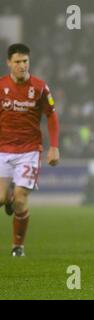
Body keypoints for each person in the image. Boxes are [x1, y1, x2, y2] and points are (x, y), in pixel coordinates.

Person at [0, 43, 60, 256]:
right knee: (1, 198)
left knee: (20, 197)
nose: (22, 66)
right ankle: (6, 196)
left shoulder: (40, 87)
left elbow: (51, 115)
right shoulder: (1, 87)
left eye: (25, 61)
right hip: (3, 150)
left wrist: (54, 146)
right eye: (17, 62)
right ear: (9, 63)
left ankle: (18, 247)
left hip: (29, 151)